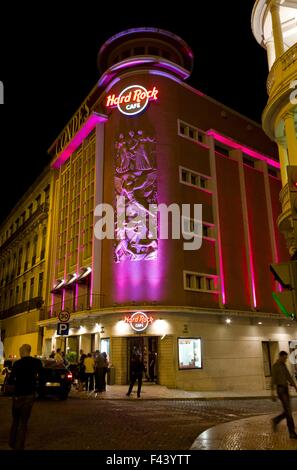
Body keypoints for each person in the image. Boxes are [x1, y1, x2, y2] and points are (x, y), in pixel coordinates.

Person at [7, 344, 43, 450]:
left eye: (20, 351)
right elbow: (42, 377)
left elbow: (10, 379)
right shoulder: (36, 362)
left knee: (15, 420)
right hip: (29, 394)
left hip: (18, 394)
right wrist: (38, 391)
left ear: (23, 351)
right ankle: (19, 446)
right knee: (23, 422)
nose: (19, 353)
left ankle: (12, 442)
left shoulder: (17, 363)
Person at [271, 350, 297, 439]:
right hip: (280, 390)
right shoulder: (275, 366)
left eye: (286, 358)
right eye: (285, 358)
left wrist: (295, 386)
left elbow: (288, 376)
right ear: (280, 357)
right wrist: (272, 393)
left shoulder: (284, 365)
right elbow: (273, 379)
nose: (286, 360)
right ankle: (292, 433)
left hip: (286, 389)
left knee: (287, 410)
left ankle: (276, 420)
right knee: (288, 411)